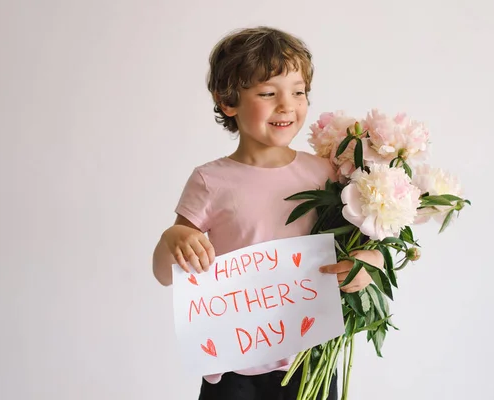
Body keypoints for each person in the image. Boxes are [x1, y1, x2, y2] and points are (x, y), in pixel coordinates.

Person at [152, 26, 384, 400]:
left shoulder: (326, 173)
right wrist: (173, 239)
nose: (287, 105)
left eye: (298, 92)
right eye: (267, 93)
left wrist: (367, 264)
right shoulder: (210, 181)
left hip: (309, 358)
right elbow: (165, 274)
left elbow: (363, 246)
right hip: (231, 365)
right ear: (228, 101)